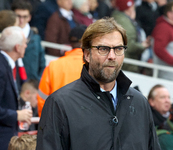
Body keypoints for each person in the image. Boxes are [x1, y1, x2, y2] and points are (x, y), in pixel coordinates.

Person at [36, 17, 161, 150]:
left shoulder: (139, 102)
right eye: (103, 49)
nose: (112, 56)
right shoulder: (59, 103)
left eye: (118, 49)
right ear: (87, 54)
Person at [37, 25, 86, 117]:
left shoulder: (53, 65)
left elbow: (42, 98)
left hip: (58, 121)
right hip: (86, 123)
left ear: (70, 42)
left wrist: (46, 123)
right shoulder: (94, 66)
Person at [0, 26, 33, 150]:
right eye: (24, 43)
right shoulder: (1, 68)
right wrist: (16, 115)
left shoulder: (6, 64)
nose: (26, 46)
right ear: (17, 47)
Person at [111, 0, 150, 72]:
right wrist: (142, 46)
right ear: (129, 9)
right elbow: (128, 45)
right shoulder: (124, 22)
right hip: (127, 64)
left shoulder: (120, 18)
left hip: (123, 62)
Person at [12, 0, 46, 81]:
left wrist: (36, 83)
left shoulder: (36, 38)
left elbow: (42, 64)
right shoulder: (5, 35)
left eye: (25, 17)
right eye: (18, 16)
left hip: (30, 85)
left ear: (29, 17)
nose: (21, 20)